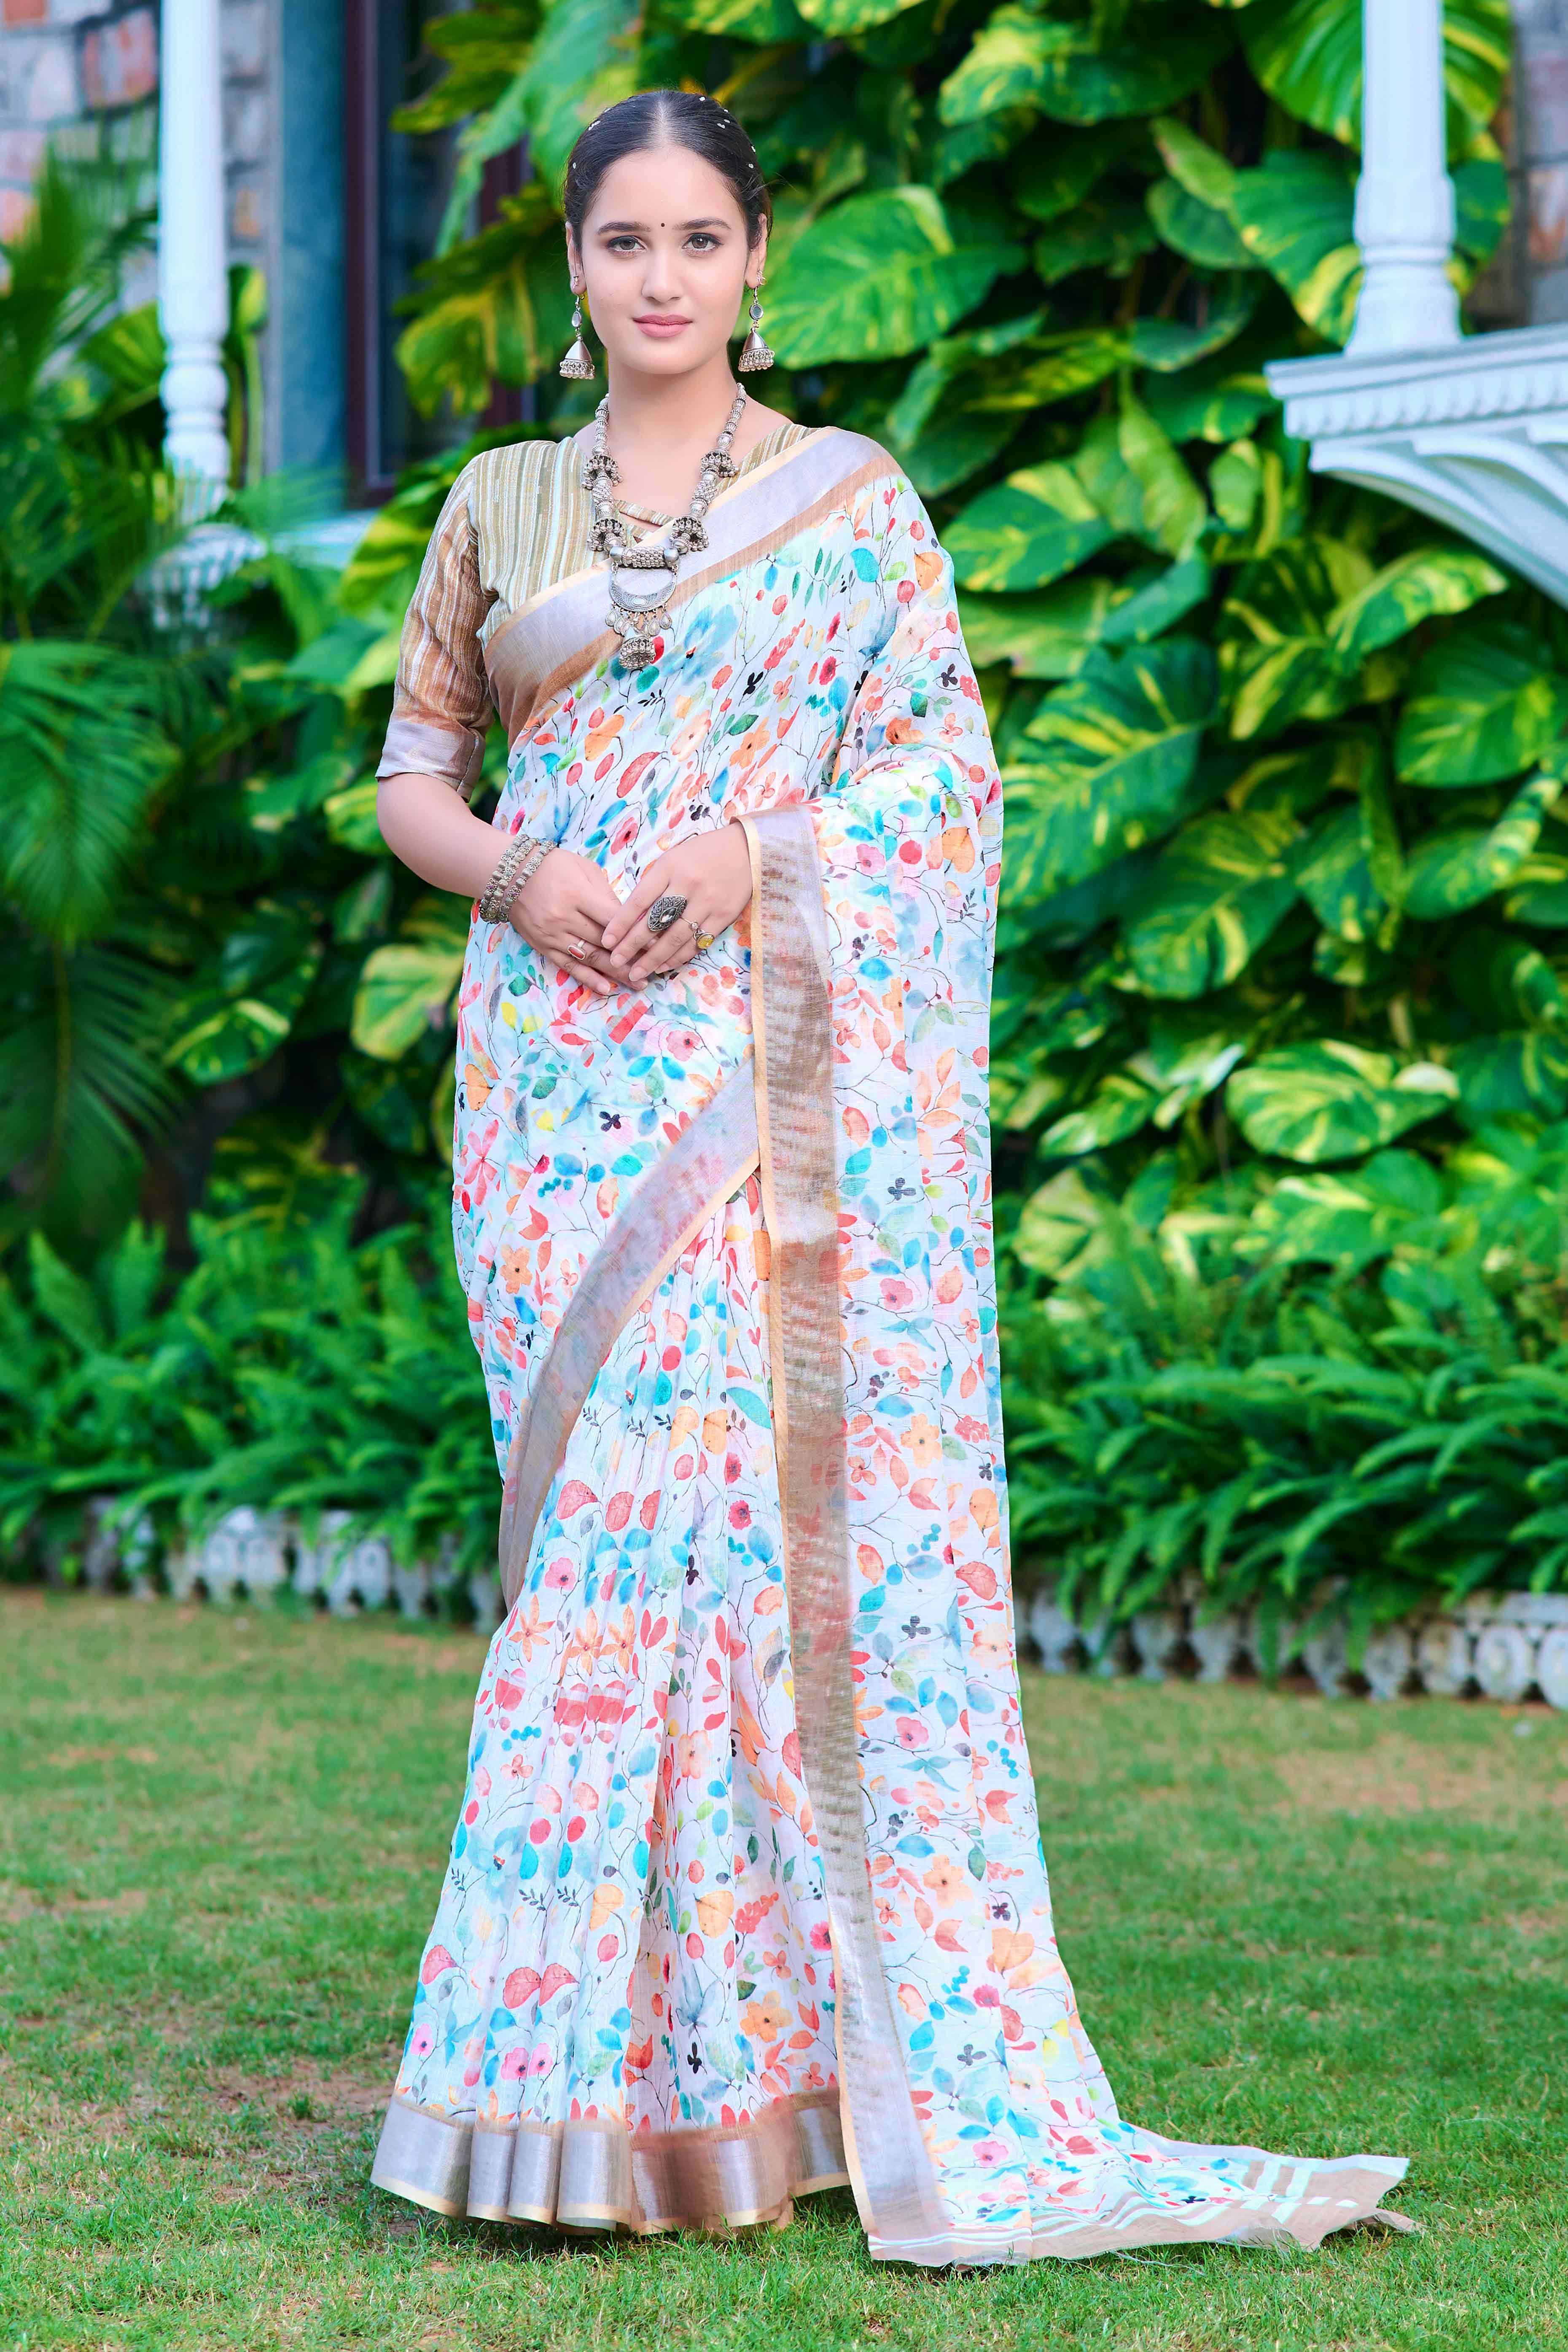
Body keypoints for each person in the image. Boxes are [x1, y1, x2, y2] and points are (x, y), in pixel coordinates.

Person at [368, 87, 1411, 2266]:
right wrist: (531, 874)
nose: (658, 278)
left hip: (759, 1077)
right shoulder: (499, 506)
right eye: (619, 241)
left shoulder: (849, 509)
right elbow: (418, 782)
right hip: (558, 1089)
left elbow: (939, 781)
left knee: (745, 1569)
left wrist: (747, 852)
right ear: (570, 268)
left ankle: (772, 2085)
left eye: (697, 240)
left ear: (756, 262)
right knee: (591, 1572)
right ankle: (567, 2097)